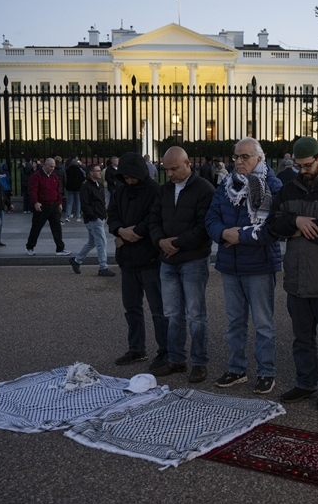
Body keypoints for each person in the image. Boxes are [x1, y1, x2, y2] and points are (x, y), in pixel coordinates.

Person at [267, 136, 318, 410]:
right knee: (301, 338)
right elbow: (272, 223)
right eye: (298, 165)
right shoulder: (289, 188)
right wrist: (296, 221)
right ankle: (306, 383)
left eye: (306, 165)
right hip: (297, 278)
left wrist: (300, 229)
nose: (302, 170)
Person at [206, 137, 284, 394]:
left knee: (263, 324)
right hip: (230, 265)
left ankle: (266, 371)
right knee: (234, 323)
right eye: (236, 157)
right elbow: (211, 218)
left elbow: (272, 228)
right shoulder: (226, 185)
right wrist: (223, 233)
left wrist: (239, 236)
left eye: (245, 157)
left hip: (259, 266)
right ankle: (236, 368)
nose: (238, 161)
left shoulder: (272, 185)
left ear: (259, 159)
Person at [148, 146, 215, 382]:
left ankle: (199, 362)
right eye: (166, 169)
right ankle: (176, 359)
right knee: (172, 313)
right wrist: (160, 241)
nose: (170, 174)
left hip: (193, 259)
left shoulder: (204, 189)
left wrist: (176, 243)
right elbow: (153, 219)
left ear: (188, 164)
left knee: (196, 314)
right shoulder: (164, 190)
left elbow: (204, 226)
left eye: (174, 168)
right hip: (168, 259)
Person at [108, 152, 169, 371]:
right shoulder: (121, 190)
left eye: (131, 176)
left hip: (150, 258)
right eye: (124, 177)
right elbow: (112, 215)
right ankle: (136, 348)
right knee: (131, 307)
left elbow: (155, 217)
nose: (128, 180)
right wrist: (120, 230)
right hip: (127, 259)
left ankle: (165, 350)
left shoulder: (155, 190)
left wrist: (132, 233)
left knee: (158, 309)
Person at [70, 164, 114, 276]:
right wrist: (94, 216)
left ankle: (76, 260)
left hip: (98, 216)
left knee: (93, 241)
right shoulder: (86, 186)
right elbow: (85, 204)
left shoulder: (98, 185)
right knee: (101, 242)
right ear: (91, 173)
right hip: (94, 218)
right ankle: (103, 267)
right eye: (97, 171)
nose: (100, 172)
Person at [25, 158, 70, 257]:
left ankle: (60, 248)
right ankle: (30, 246)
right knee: (36, 227)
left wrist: (59, 202)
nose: (52, 168)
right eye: (50, 166)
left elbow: (58, 190)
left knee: (57, 227)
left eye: (53, 166)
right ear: (45, 165)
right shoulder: (37, 176)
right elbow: (32, 190)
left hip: (53, 204)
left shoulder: (54, 176)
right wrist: (36, 202)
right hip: (42, 205)